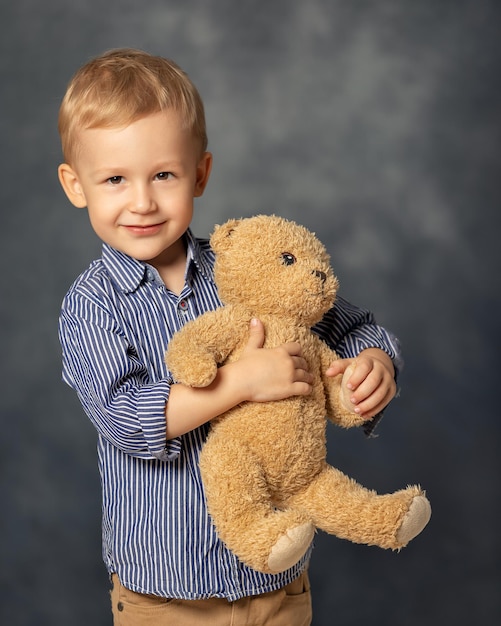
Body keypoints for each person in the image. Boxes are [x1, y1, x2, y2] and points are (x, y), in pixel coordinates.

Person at [57, 48, 402, 626]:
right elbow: (125, 418)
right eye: (115, 179)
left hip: (276, 583)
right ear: (76, 185)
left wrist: (376, 361)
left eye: (163, 175)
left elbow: (353, 323)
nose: (141, 201)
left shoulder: (247, 265)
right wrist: (238, 384)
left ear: (200, 174)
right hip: (165, 595)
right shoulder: (91, 306)